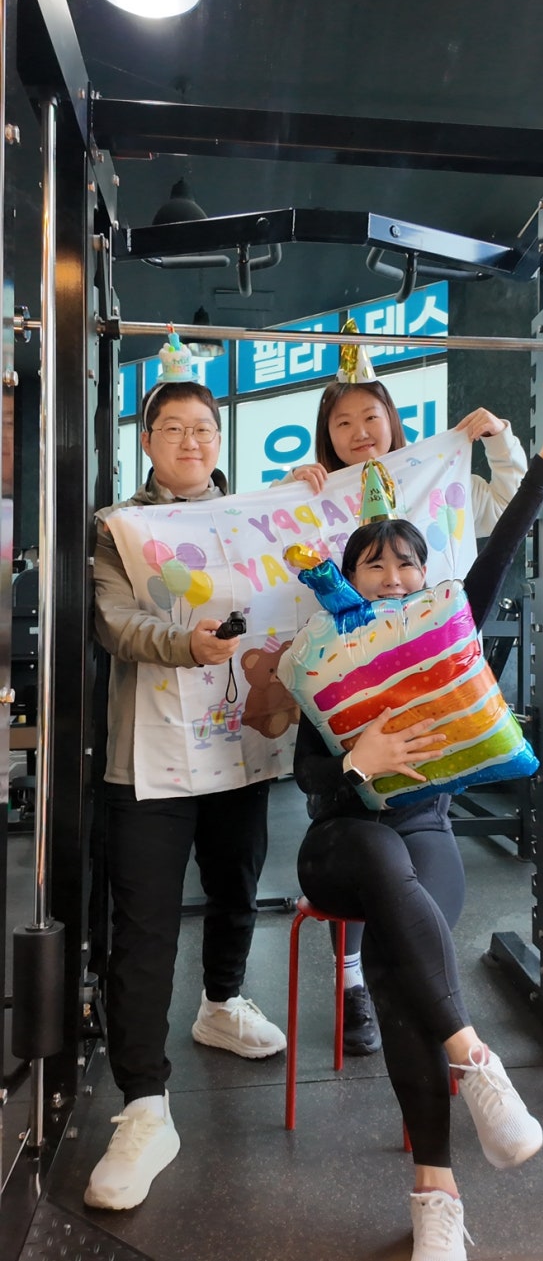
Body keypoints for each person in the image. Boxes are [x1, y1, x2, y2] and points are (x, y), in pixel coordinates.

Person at [291, 382, 543, 1260]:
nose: (392, 578)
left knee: (396, 965)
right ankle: (474, 1057)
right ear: (348, 577)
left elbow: (500, 549)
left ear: (425, 575)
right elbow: (309, 781)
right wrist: (360, 759)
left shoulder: (447, 627)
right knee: (378, 863)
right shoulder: (321, 655)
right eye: (373, 565)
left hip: (424, 833)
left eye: (405, 564)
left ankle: (437, 1193)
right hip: (337, 838)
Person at [283, 338, 528, 1056]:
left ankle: (431, 1027)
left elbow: (506, 521)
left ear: (392, 420)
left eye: (371, 417)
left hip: (427, 756)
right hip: (347, 761)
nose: (359, 432)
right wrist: (297, 493)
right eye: (342, 422)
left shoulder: (437, 486)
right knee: (369, 847)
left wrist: (505, 442)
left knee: (417, 892)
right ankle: (360, 984)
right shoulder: (315, 501)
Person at [87, 378, 287, 1212]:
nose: (192, 441)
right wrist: (186, 642)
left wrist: (316, 494)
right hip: (151, 755)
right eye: (173, 427)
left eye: (204, 427)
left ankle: (221, 1002)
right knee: (144, 922)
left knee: (237, 883)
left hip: (239, 744)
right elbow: (114, 621)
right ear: (147, 440)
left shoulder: (252, 517)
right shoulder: (117, 528)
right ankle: (144, 1103)